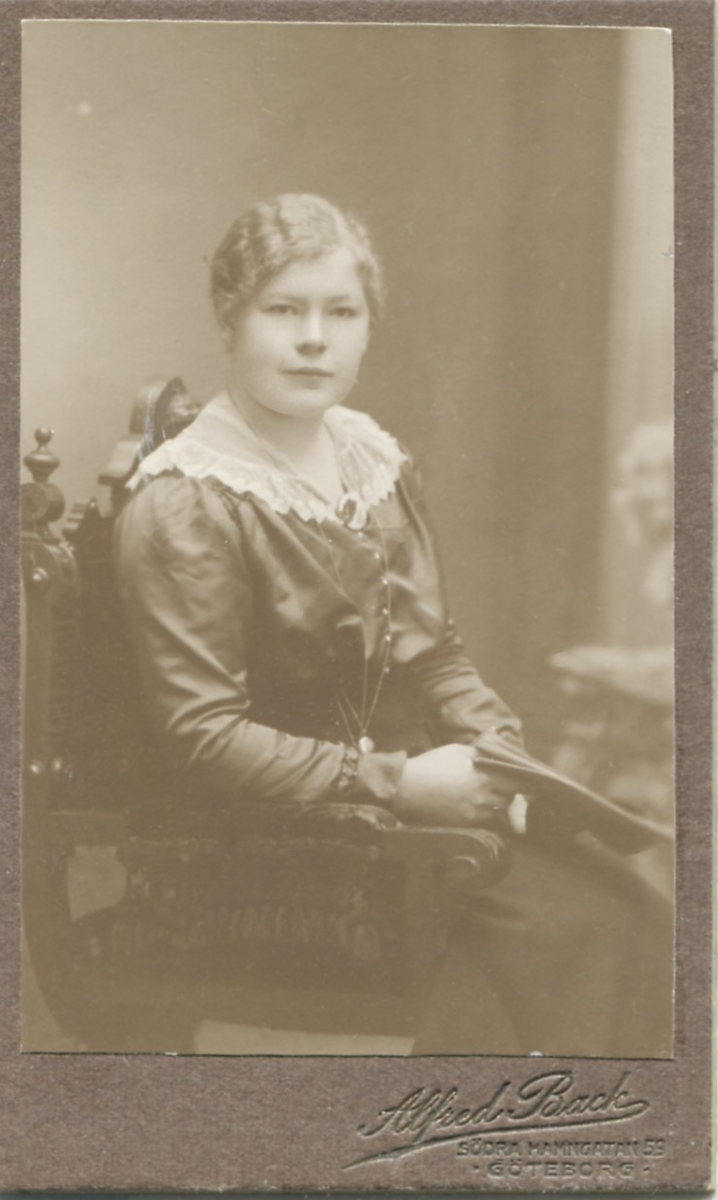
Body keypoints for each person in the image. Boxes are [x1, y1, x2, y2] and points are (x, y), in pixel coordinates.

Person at [115, 193, 673, 1056]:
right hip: (274, 843)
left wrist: (500, 755)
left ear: (368, 326)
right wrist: (400, 782)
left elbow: (434, 654)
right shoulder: (186, 500)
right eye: (283, 310)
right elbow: (204, 739)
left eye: (342, 312)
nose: (314, 339)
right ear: (229, 317)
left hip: (410, 813)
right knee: (578, 934)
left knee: (637, 908)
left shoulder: (371, 458)